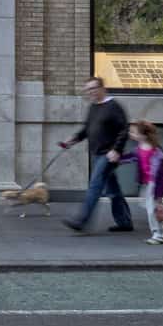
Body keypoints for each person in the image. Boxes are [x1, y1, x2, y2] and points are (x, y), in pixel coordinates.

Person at [60, 76, 133, 233]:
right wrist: (74, 139)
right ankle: (125, 222)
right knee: (113, 190)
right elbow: (87, 129)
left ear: (102, 88)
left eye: (93, 88)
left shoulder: (114, 106)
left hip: (108, 155)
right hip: (96, 153)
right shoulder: (93, 107)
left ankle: (81, 220)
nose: (90, 92)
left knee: (95, 185)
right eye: (88, 89)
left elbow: (124, 130)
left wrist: (117, 150)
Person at [121, 120, 163, 245]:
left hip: (155, 184)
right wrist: (118, 159)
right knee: (151, 207)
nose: (130, 134)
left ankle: (157, 234)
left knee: (152, 210)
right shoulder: (139, 149)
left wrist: (160, 190)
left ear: (143, 136)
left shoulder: (155, 151)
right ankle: (162, 234)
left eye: (133, 132)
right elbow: (130, 157)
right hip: (148, 184)